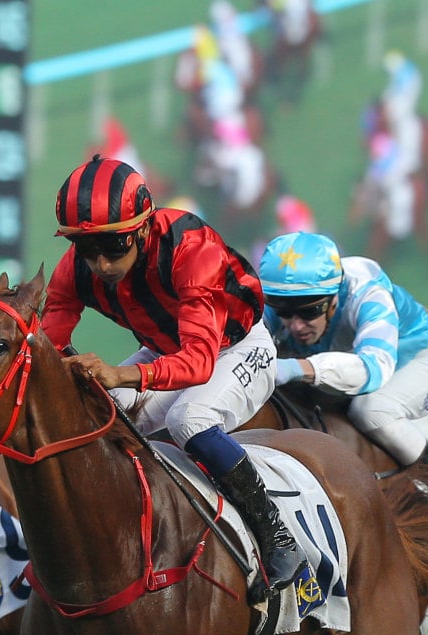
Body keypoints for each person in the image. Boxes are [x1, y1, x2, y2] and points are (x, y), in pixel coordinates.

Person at [38, 153, 305, 594]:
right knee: (93, 420)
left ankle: (278, 537)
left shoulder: (191, 249)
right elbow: (48, 341)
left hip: (234, 348)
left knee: (189, 420)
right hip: (165, 348)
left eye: (114, 246)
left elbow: (199, 363)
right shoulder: (76, 269)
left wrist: (118, 376)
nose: (101, 264)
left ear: (143, 227)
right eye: (87, 249)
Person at [256, 230, 428, 478]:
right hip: (350, 360)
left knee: (372, 410)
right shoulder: (285, 298)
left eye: (309, 311)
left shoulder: (368, 294)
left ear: (334, 298)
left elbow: (373, 369)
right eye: (284, 312)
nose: (296, 325)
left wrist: (297, 367)